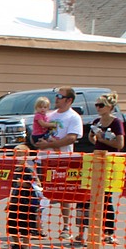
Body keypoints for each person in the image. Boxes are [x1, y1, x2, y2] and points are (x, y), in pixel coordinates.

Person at [73, 91, 124, 246]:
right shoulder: (96, 121)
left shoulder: (116, 123)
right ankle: (82, 232)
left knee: (106, 198)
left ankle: (108, 232)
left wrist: (103, 139)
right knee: (86, 196)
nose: (98, 108)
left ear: (109, 107)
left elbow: (119, 144)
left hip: (110, 161)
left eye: (101, 105)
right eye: (96, 105)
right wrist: (93, 138)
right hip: (96, 160)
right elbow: (94, 141)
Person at [33, 86, 84, 238]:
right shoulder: (49, 114)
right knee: (40, 192)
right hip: (45, 159)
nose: (56, 98)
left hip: (63, 159)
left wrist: (49, 145)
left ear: (69, 100)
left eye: (60, 96)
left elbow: (71, 138)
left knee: (64, 194)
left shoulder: (73, 117)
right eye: (56, 96)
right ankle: (37, 225)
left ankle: (66, 228)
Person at [6, 144, 40, 249]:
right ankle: (16, 245)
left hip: (28, 202)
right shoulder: (14, 170)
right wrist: (10, 202)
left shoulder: (29, 170)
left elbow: (37, 185)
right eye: (15, 155)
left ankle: (25, 247)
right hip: (16, 201)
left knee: (25, 226)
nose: (17, 157)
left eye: (20, 155)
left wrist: (25, 184)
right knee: (12, 225)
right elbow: (13, 189)